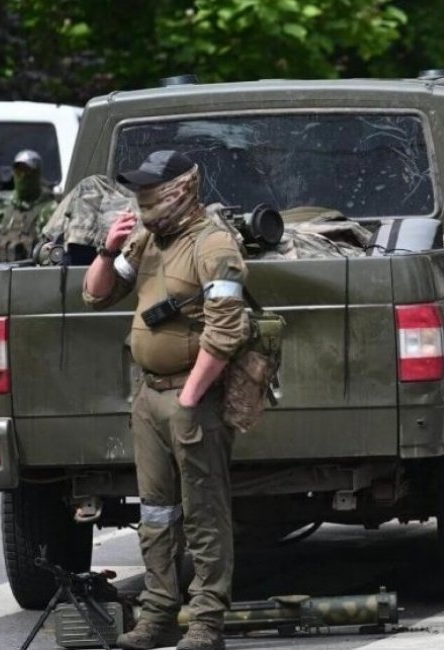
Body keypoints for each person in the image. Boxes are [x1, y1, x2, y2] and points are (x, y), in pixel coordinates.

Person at [83, 150, 249, 650]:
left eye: (154, 186)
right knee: (155, 513)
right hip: (149, 396)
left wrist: (191, 398)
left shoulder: (212, 244)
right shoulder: (146, 239)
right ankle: (157, 614)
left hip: (190, 397)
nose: (144, 196)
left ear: (182, 187)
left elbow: (225, 332)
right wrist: (107, 250)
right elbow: (96, 295)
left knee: (204, 512)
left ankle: (205, 623)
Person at [0, 150, 57, 289]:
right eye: (18, 171)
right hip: (2, 286)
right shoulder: (7, 209)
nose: (22, 176)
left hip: (32, 285)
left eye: (27, 171)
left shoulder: (49, 210)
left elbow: (52, 254)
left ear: (36, 174)